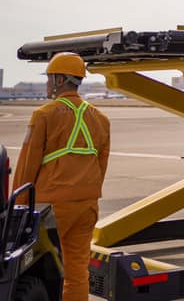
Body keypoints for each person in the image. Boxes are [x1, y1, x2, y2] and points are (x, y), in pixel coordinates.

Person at [13, 52, 110, 301]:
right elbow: (101, 165)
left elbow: (27, 166)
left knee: (41, 269)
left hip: (52, 208)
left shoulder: (43, 115)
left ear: (58, 80)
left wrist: (18, 209)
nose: (47, 83)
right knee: (77, 271)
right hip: (87, 205)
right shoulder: (101, 119)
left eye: (49, 78)